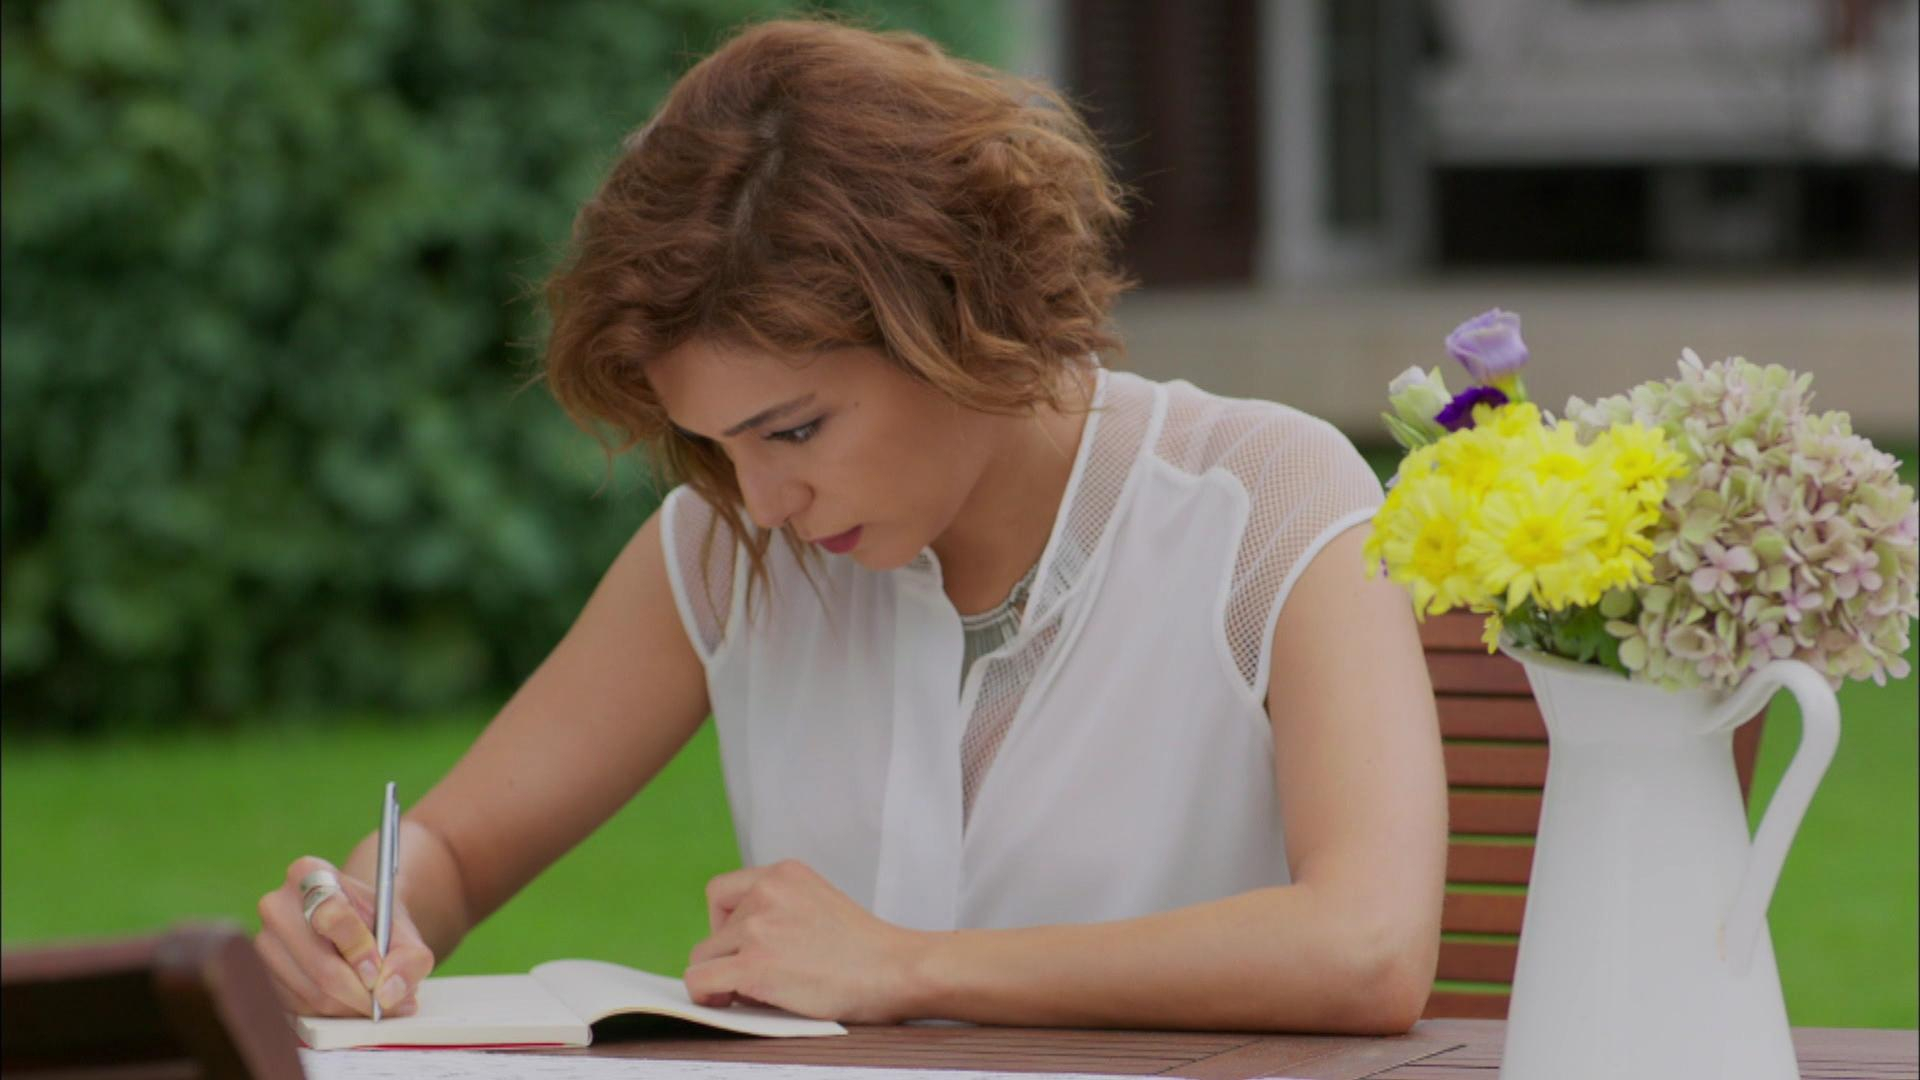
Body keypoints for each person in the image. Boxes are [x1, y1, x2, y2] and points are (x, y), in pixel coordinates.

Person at [254, 16, 1447, 1035]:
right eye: (718, 447)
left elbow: (1368, 945)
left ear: (952, 308)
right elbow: (453, 854)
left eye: (794, 430)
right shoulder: (726, 550)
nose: (764, 501)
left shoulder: (1262, 502)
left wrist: (910, 967)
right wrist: (358, 917)